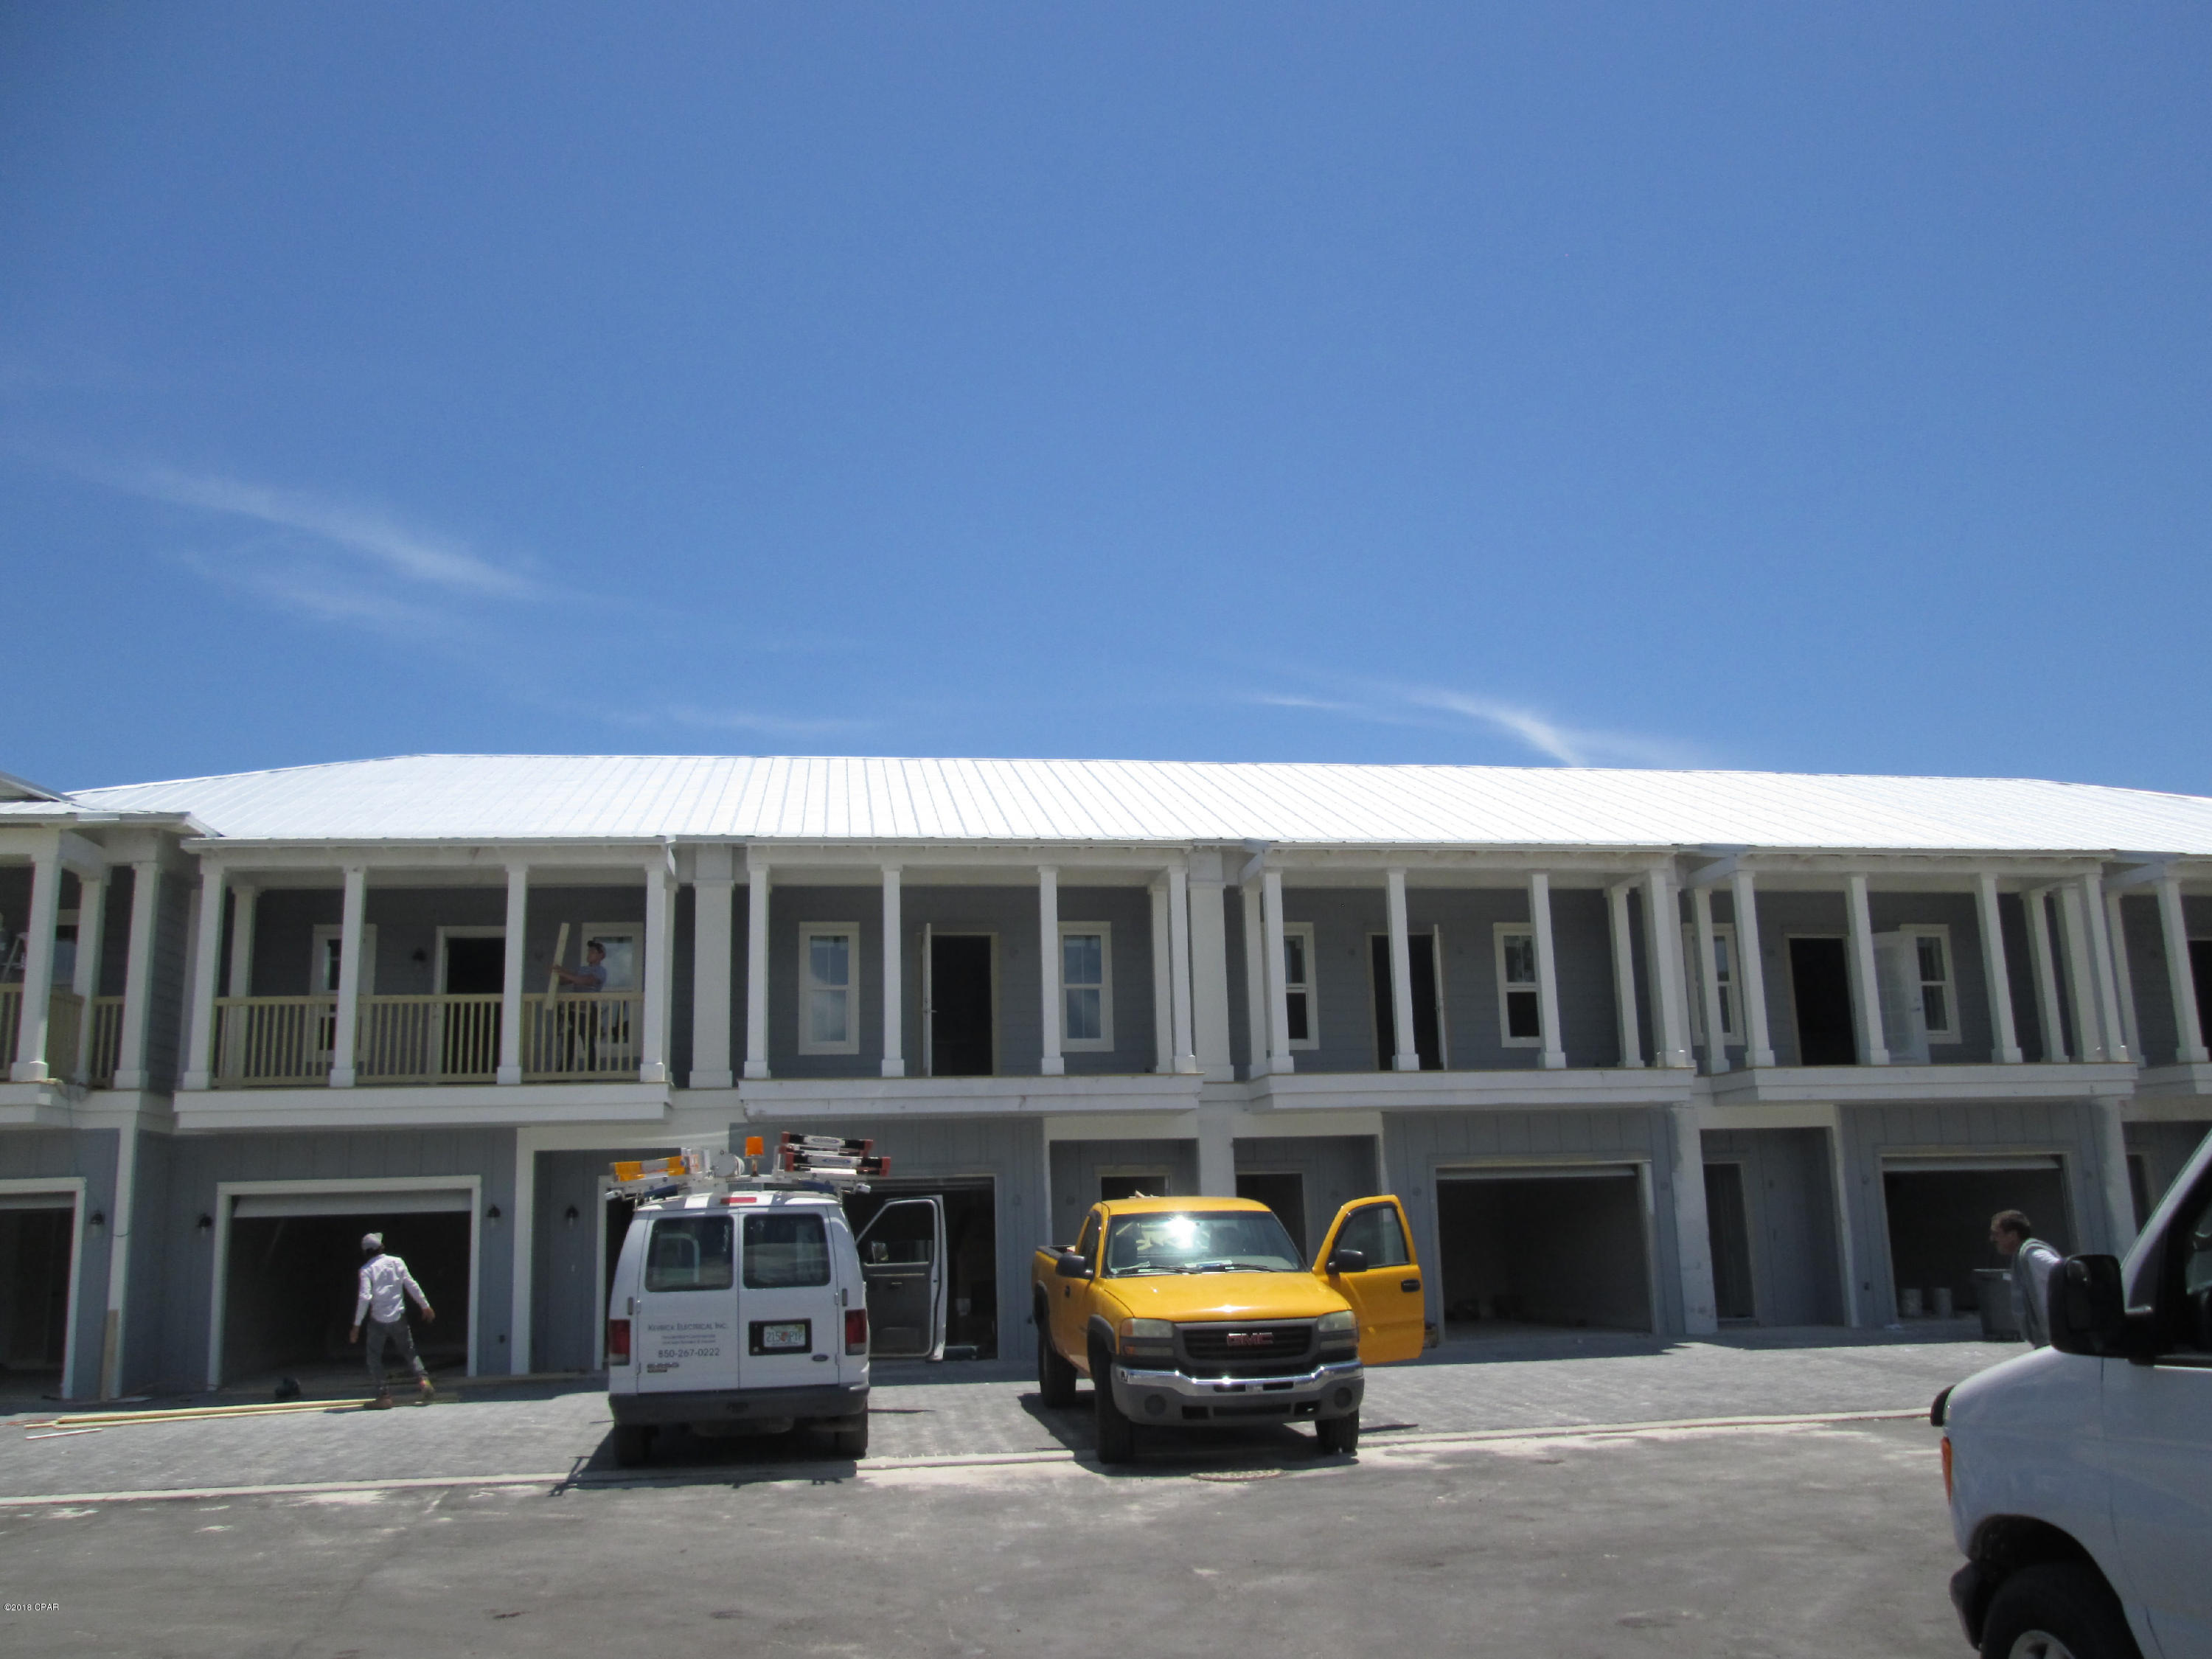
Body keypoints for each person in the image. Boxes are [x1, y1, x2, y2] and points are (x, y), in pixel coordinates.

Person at [349, 1232, 437, 1407]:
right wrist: (425, 1305)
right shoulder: (397, 1262)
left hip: (378, 1320)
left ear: (366, 1252)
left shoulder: (366, 1270)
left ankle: (384, 1395)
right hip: (399, 1317)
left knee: (374, 1357)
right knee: (409, 1351)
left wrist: (356, 1326)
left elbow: (365, 1297)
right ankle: (423, 1380)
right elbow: (411, 1284)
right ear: (381, 1247)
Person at [1990, 1209, 2064, 1347]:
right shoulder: (2022, 1258)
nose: (1993, 1239)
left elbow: (2066, 1272)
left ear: (2012, 1235)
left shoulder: (2034, 1255)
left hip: (2055, 1341)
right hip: (2047, 1341)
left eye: (1997, 1234)